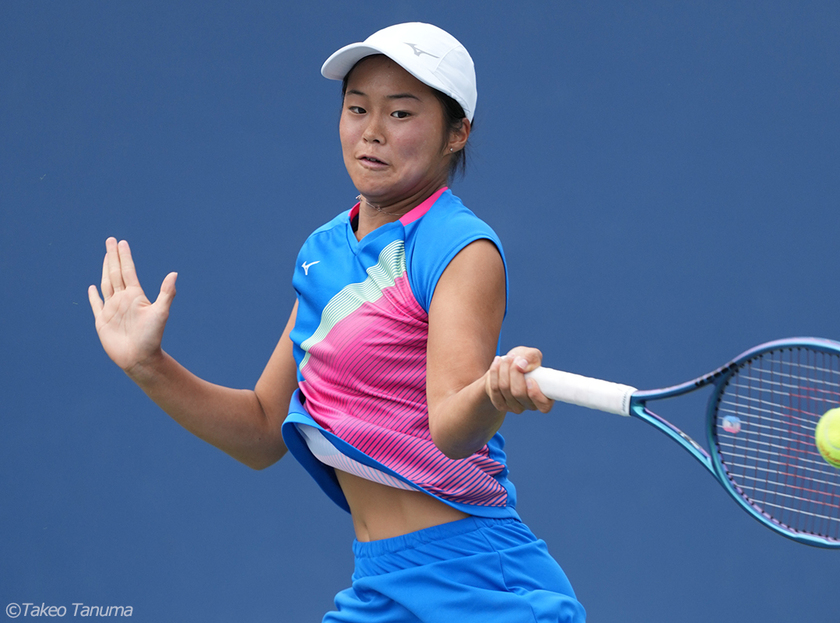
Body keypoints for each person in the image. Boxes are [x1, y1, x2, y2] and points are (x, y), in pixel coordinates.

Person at [89, 22, 586, 622]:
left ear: (458, 133)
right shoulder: (322, 250)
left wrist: (491, 392)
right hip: (379, 588)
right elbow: (263, 429)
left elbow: (454, 430)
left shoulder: (459, 247)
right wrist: (149, 366)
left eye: (401, 113)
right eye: (357, 108)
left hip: (480, 583)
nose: (371, 132)